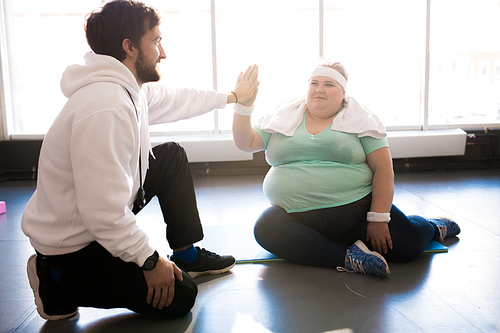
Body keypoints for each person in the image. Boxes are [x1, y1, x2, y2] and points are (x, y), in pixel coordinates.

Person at [21, 0, 259, 321]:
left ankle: (186, 254)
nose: (163, 52)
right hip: (72, 245)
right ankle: (55, 280)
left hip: (94, 218)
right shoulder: (105, 106)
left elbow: (177, 99)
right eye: (157, 41)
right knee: (181, 297)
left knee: (170, 155)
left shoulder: (126, 89)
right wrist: (149, 260)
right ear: (129, 47)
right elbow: (103, 214)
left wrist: (232, 97)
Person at [231, 61, 460, 278]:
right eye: (314, 83)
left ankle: (432, 227)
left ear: (343, 93)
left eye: (329, 84)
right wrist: (243, 107)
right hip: (296, 217)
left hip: (356, 213)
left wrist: (378, 219)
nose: (319, 89)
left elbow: (383, 169)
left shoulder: (361, 119)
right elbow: (245, 143)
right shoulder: (280, 116)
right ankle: (349, 258)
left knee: (407, 247)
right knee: (265, 228)